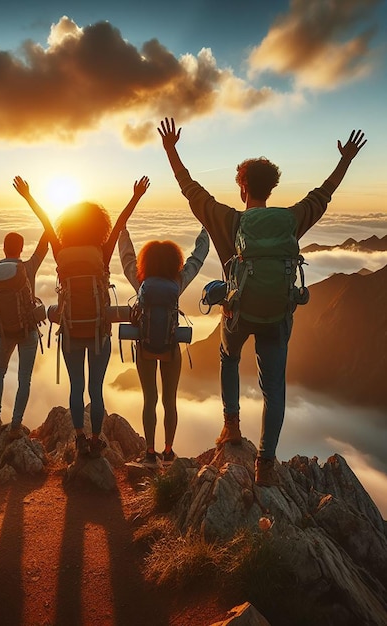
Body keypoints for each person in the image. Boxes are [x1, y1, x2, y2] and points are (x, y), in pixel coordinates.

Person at [157, 117, 367, 486]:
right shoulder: (290, 219)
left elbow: (191, 190)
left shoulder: (227, 220)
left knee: (228, 357)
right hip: (276, 316)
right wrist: (345, 160)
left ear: (242, 189)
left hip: (237, 316)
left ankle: (231, 426)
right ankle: (266, 465)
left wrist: (172, 151)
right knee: (275, 388)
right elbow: (323, 195)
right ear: (271, 188)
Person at [14, 175, 150, 458]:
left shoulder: (61, 251)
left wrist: (28, 195)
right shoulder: (102, 251)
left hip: (71, 332)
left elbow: (46, 223)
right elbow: (121, 222)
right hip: (99, 333)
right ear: (98, 225)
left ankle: (79, 439)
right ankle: (97, 439)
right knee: (96, 389)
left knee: (76, 387)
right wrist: (135, 196)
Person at [119, 226, 209, 467]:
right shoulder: (177, 282)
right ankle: (168, 453)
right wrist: (205, 230)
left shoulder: (141, 282)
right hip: (171, 349)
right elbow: (197, 260)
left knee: (150, 399)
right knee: (170, 400)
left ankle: (149, 453)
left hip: (145, 348)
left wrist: (123, 230)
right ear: (174, 261)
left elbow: (127, 257)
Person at [0, 214, 48, 438]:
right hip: (28, 331)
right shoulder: (27, 267)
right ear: (21, 249)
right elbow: (45, 243)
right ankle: (15, 424)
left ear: (4, 249)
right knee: (25, 379)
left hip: (3, 332)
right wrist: (50, 220)